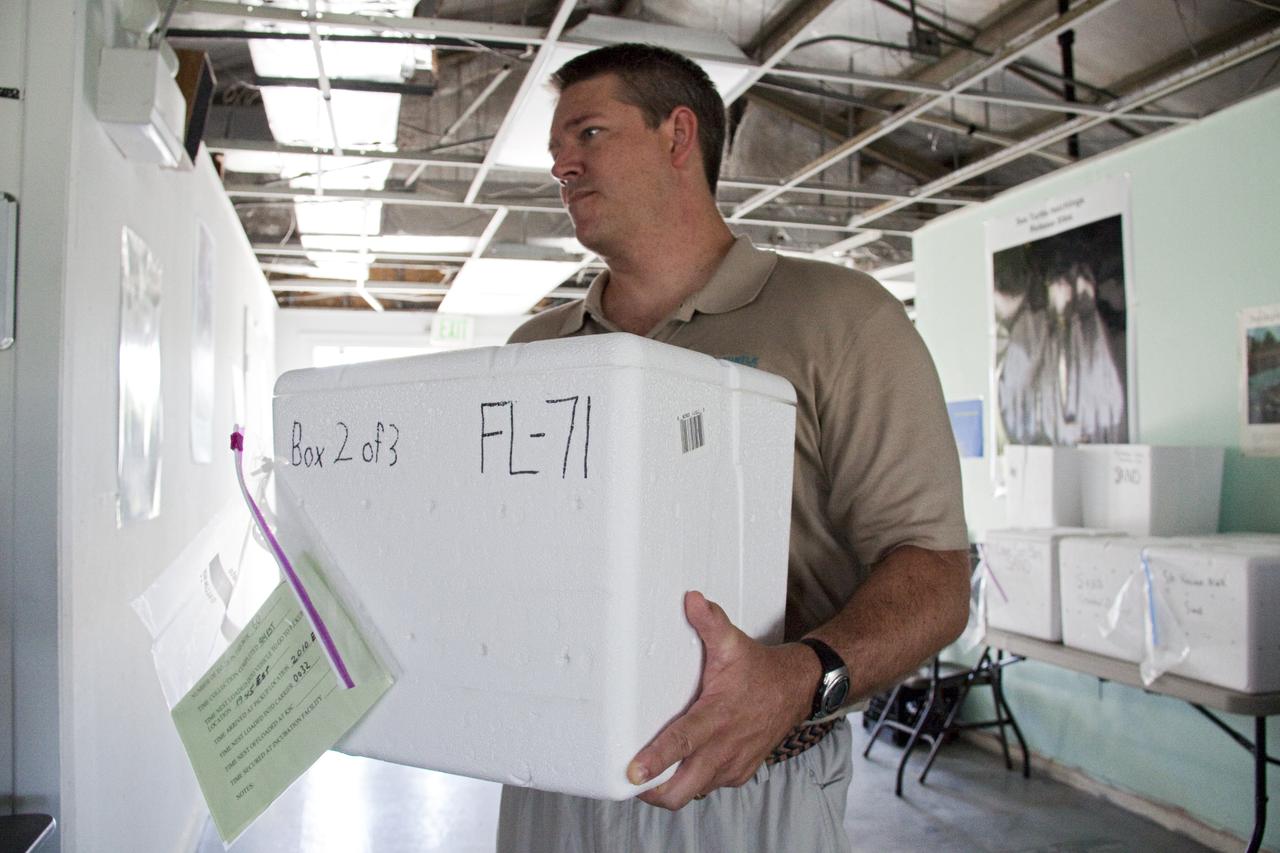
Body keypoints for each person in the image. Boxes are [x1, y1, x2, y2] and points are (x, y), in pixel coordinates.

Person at [498, 43, 970, 852]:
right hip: (552, 771)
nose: (561, 166)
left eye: (587, 134)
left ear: (678, 135)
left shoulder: (841, 320)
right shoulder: (535, 347)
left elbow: (935, 576)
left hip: (748, 781)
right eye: (555, 151)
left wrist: (801, 676)